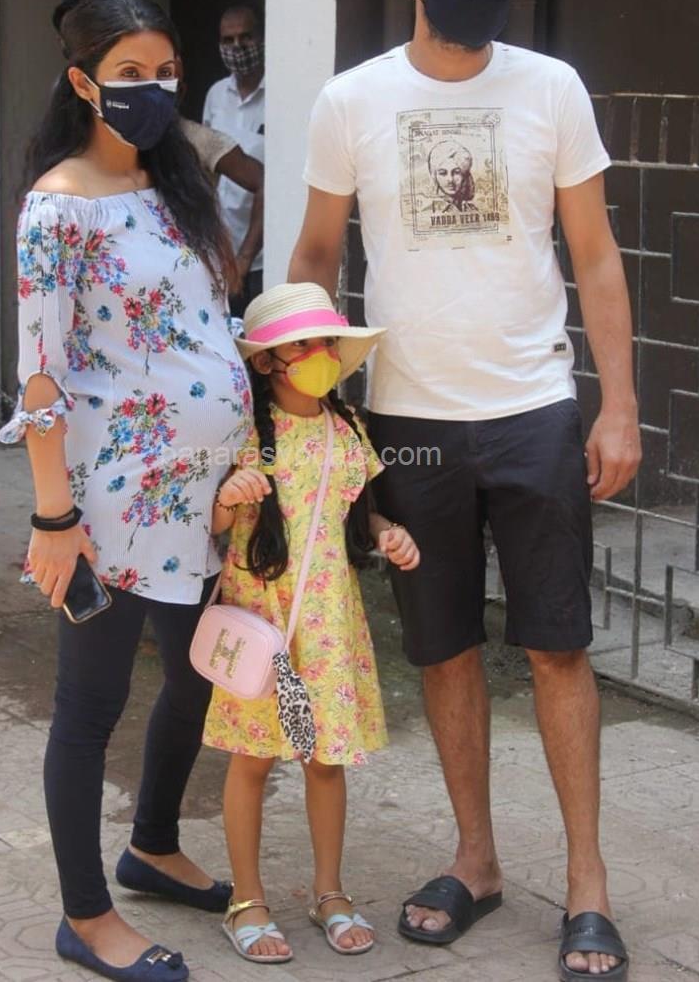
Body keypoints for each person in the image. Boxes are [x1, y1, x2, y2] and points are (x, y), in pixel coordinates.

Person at [289, 0, 640, 982]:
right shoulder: (351, 100)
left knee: (556, 645)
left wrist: (616, 402)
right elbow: (315, 253)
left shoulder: (551, 88)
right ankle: (474, 860)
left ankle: (585, 883)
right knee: (440, 647)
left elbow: (594, 254)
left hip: (532, 410)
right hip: (408, 419)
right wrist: (305, 394)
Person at [0, 0, 252, 982]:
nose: (155, 90)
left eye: (166, 72)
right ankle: (86, 916)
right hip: (109, 504)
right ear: (81, 82)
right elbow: (41, 378)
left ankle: (150, 844)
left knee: (195, 676)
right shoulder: (58, 205)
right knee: (90, 702)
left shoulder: (170, 182)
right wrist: (52, 516)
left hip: (201, 495)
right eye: (130, 75)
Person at [201, 282, 420, 964]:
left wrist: (388, 534)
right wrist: (227, 497)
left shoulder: (347, 427)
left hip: (328, 624)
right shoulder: (244, 433)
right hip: (263, 623)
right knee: (253, 760)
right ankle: (247, 901)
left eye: (326, 341)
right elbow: (210, 527)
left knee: (327, 761)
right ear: (268, 361)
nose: (319, 353)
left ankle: (331, 892)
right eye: (303, 344)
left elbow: (361, 511)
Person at [203, 5, 265, 317]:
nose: (237, 47)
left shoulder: (279, 94)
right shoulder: (216, 95)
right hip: (221, 253)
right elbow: (206, 168)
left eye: (246, 37)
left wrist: (245, 257)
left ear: (263, 37)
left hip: (263, 257)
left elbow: (273, 183)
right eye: (228, 40)